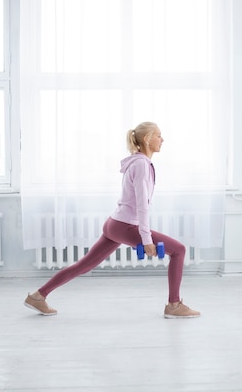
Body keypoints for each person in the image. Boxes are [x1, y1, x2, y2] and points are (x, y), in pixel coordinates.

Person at [24, 121, 200, 319]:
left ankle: (38, 296)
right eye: (158, 135)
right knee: (179, 250)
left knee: (83, 265)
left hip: (114, 224)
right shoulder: (142, 164)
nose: (162, 139)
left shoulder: (137, 162)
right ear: (147, 139)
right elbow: (142, 206)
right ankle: (174, 305)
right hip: (125, 226)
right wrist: (147, 239)